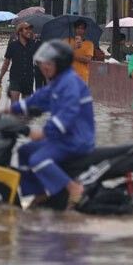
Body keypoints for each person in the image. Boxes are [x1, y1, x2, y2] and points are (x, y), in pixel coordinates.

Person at [6, 40, 94, 209]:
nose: (43, 67)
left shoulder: (70, 83)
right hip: (63, 138)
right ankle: (39, 194)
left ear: (59, 64)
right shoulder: (58, 82)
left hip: (75, 139)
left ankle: (74, 189)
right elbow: (37, 99)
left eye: (47, 63)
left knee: (38, 159)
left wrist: (44, 132)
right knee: (24, 151)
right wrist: (11, 111)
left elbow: (68, 113)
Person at [0, 22, 38, 102]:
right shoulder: (12, 45)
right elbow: (6, 63)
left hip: (29, 79)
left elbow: (40, 61)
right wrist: (0, 78)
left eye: (30, 29)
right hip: (15, 78)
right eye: (26, 29)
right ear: (20, 32)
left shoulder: (33, 44)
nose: (29, 31)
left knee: (26, 107)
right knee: (15, 106)